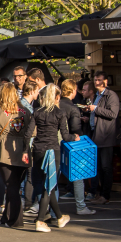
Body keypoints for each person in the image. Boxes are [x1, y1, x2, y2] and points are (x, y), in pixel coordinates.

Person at [31, 83, 78, 232]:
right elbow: (65, 136)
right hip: (52, 149)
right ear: (57, 97)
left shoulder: (37, 112)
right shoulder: (60, 113)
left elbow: (28, 133)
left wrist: (26, 151)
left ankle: (59, 217)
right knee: (49, 185)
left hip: (38, 149)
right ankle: (40, 220)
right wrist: (74, 137)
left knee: (43, 184)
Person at [0, 83, 35, 228]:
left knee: (11, 185)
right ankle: (7, 216)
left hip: (4, 150)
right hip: (22, 150)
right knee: (14, 184)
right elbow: (32, 131)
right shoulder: (25, 112)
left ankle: (15, 219)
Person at [57, 79, 95, 214]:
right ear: (73, 91)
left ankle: (49, 206)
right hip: (71, 143)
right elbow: (76, 129)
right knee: (78, 176)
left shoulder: (56, 104)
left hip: (55, 143)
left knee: (53, 177)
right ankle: (81, 206)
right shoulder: (73, 108)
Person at [86, 71, 120, 205]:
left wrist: (95, 109)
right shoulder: (98, 95)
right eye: (95, 80)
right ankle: (100, 194)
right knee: (99, 167)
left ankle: (106, 195)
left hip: (106, 136)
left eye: (99, 80)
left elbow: (113, 114)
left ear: (105, 81)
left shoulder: (111, 95)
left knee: (106, 167)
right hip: (97, 134)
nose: (97, 83)